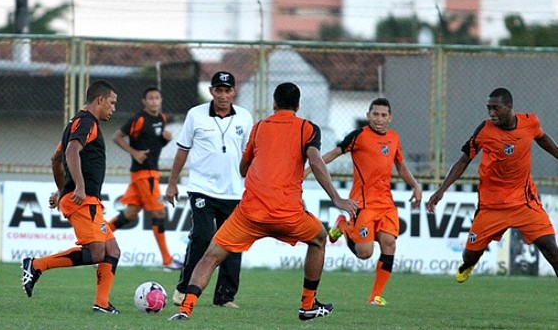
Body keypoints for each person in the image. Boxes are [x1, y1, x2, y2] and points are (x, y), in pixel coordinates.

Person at [169, 82, 358, 321]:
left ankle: (185, 309)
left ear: (274, 104)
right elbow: (316, 160)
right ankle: (308, 304)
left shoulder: (258, 128)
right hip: (287, 214)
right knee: (320, 238)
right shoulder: (308, 128)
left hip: (250, 214)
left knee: (210, 256)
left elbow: (243, 168)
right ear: (298, 106)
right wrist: (336, 198)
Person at [427, 87, 558, 281]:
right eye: (489, 108)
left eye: (495, 108)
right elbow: (464, 160)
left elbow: (542, 137)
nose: (491, 113)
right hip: (491, 205)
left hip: (524, 202)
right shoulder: (485, 130)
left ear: (509, 107)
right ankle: (468, 265)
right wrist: (442, 189)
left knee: (550, 249)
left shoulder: (530, 122)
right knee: (470, 255)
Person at [21, 80, 122, 314]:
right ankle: (36, 265)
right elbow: (71, 151)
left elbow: (56, 159)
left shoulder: (75, 123)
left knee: (112, 250)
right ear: (100, 100)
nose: (113, 108)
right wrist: (77, 186)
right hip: (84, 200)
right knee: (97, 252)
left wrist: (63, 189)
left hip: (83, 198)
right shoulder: (87, 122)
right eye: (112, 103)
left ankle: (102, 304)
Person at [316, 97, 422, 306]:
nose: (379, 119)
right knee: (364, 254)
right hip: (363, 203)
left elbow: (400, 167)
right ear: (368, 115)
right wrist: (312, 167)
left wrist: (416, 186)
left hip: (386, 204)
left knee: (389, 244)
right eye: (375, 114)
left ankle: (375, 296)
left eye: (383, 115)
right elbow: (334, 153)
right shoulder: (359, 136)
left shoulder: (394, 138)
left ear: (390, 118)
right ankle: (343, 226)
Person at [164, 71, 253, 308]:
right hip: (202, 188)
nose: (223, 95)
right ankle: (184, 289)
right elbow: (182, 149)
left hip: (235, 191)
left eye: (228, 90)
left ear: (233, 92)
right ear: (212, 91)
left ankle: (225, 296)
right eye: (219, 90)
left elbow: (250, 156)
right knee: (202, 236)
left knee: (233, 244)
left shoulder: (245, 117)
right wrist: (172, 184)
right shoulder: (196, 114)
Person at [107, 86, 182, 270]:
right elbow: (117, 137)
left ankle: (95, 240)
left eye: (157, 98)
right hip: (144, 174)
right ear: (144, 101)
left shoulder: (162, 119)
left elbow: (154, 145)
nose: (154, 101)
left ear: (161, 101)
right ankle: (167, 260)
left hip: (149, 172)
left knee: (131, 214)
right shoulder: (139, 119)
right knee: (159, 212)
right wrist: (134, 153)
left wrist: (166, 140)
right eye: (150, 98)